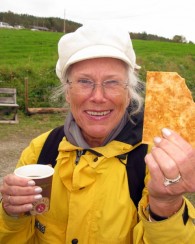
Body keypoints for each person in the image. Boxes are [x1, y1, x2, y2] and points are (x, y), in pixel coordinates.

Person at [0, 24, 195, 244]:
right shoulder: (41, 149)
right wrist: (12, 214)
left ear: (129, 94)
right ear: (67, 93)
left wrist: (165, 206)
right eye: (84, 82)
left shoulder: (155, 160)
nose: (98, 97)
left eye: (112, 82)